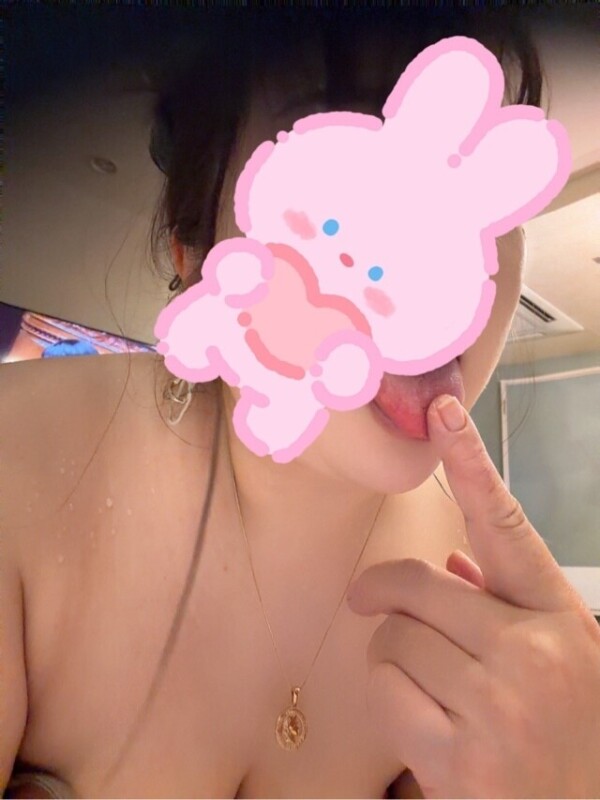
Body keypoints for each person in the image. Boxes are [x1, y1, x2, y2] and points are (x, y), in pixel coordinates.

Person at [2, 8, 545, 798]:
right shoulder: (21, 459)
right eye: (354, 150)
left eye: (477, 180)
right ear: (197, 252)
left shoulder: (476, 583)